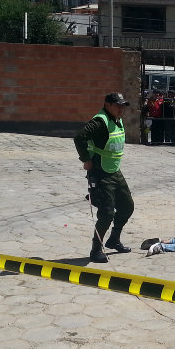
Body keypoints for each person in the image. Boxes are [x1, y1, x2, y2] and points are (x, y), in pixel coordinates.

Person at [74, 92, 135, 263]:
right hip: (100, 171)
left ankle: (113, 240)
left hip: (114, 170)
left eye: (123, 105)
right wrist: (86, 159)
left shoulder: (117, 118)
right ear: (107, 105)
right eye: (117, 105)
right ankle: (96, 250)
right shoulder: (100, 121)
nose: (121, 108)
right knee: (107, 213)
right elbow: (79, 138)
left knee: (127, 206)